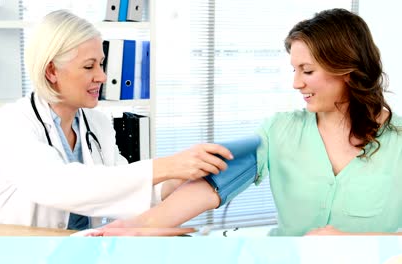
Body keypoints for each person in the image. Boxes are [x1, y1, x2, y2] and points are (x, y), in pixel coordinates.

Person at [103, 8, 402, 236]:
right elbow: (211, 186)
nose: (296, 83)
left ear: (347, 70)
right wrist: (138, 226)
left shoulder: (398, 141)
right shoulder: (280, 131)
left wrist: (354, 242)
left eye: (307, 71)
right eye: (294, 70)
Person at [0, 9, 233, 232]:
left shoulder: (97, 123)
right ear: (52, 71)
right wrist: (167, 166)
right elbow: (59, 186)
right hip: (13, 250)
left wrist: (180, 176)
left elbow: (122, 187)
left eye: (101, 64)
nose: (101, 76)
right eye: (89, 67)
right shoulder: (12, 121)